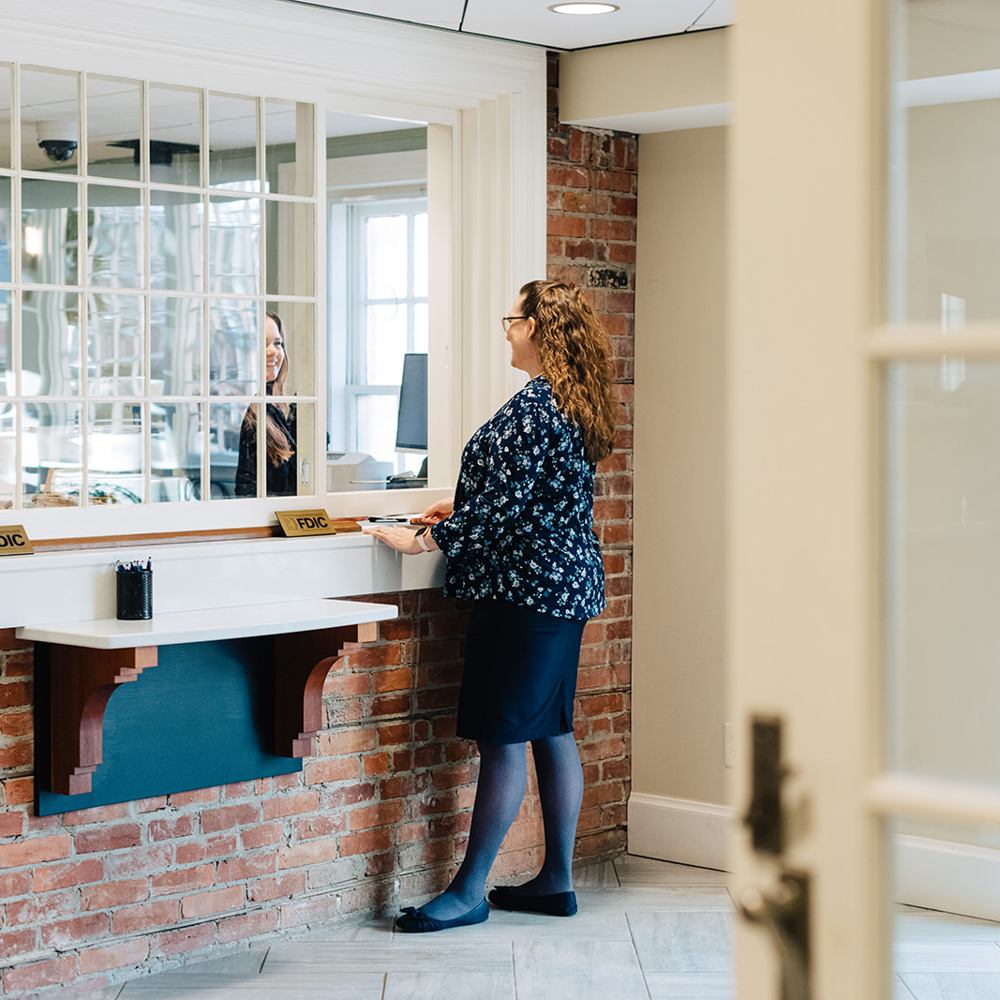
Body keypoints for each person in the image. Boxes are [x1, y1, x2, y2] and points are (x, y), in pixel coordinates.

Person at [365, 279, 619, 933]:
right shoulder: (563, 399)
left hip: (527, 596)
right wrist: (459, 507)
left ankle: (469, 891)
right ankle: (555, 881)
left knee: (503, 738)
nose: (506, 329)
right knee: (551, 729)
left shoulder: (537, 407)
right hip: (563, 590)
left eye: (512, 319)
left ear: (536, 328)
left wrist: (420, 539)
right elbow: (527, 496)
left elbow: (503, 516)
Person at [235, 310, 296, 497]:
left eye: (277, 343)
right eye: (262, 344)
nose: (272, 351)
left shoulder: (274, 410)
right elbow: (246, 490)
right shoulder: (244, 411)